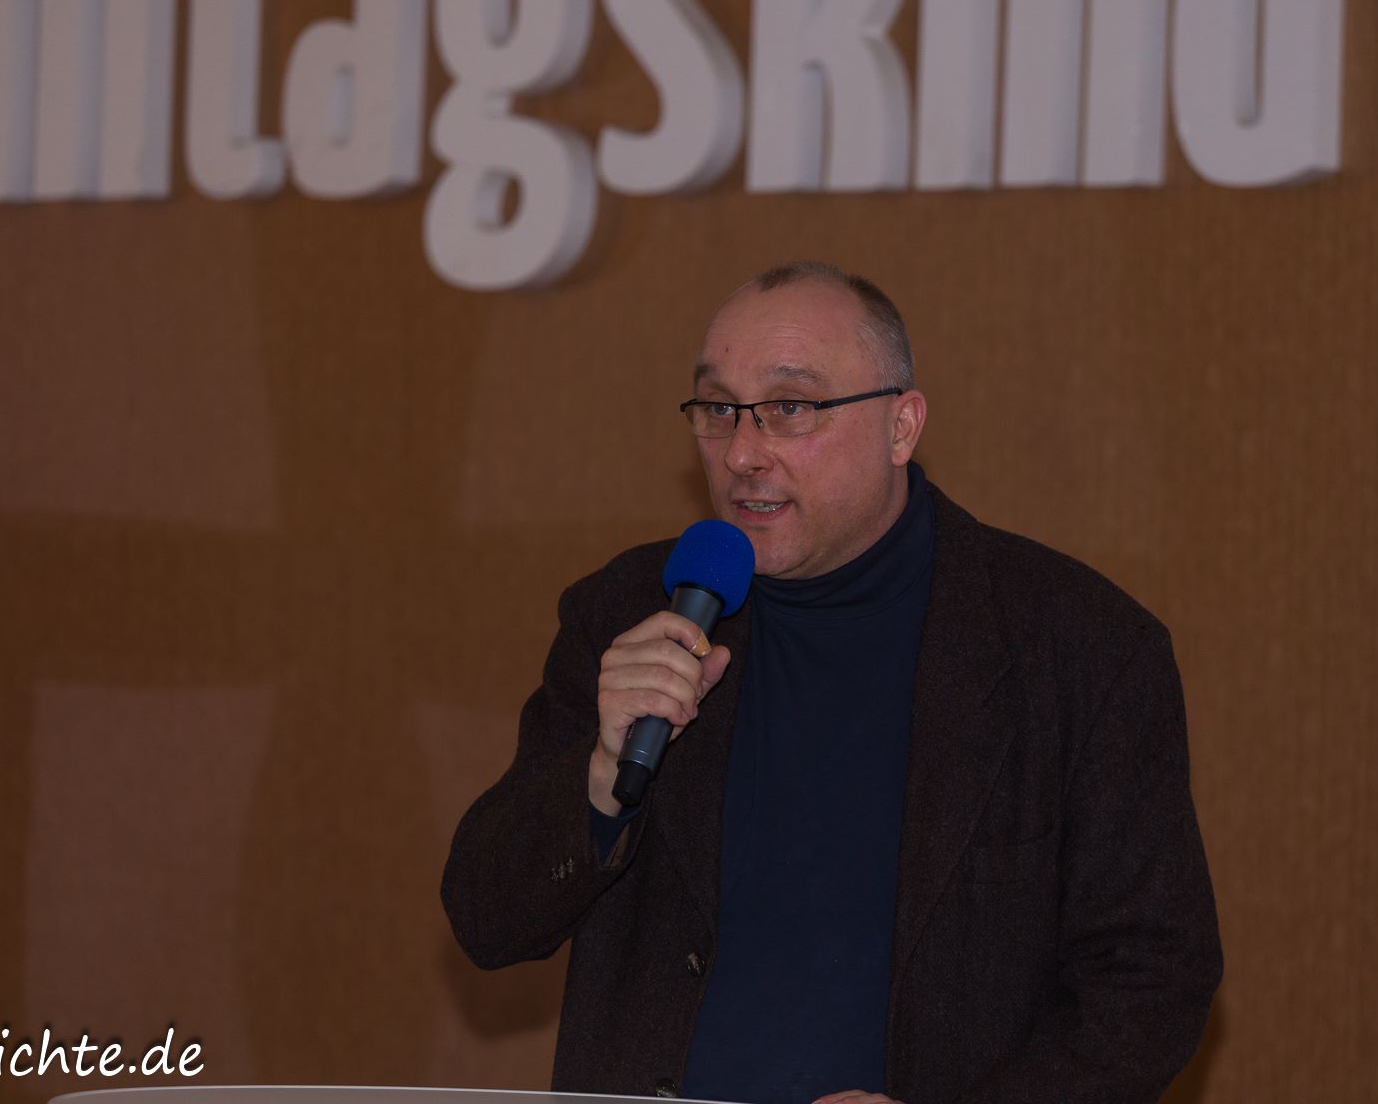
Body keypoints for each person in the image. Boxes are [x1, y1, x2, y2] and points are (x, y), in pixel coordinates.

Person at [441, 262, 1221, 1104]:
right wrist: (599, 776)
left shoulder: (1078, 646)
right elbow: (486, 918)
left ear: (901, 425)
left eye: (790, 407)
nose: (742, 453)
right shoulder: (631, 609)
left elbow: (1152, 975)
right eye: (717, 409)